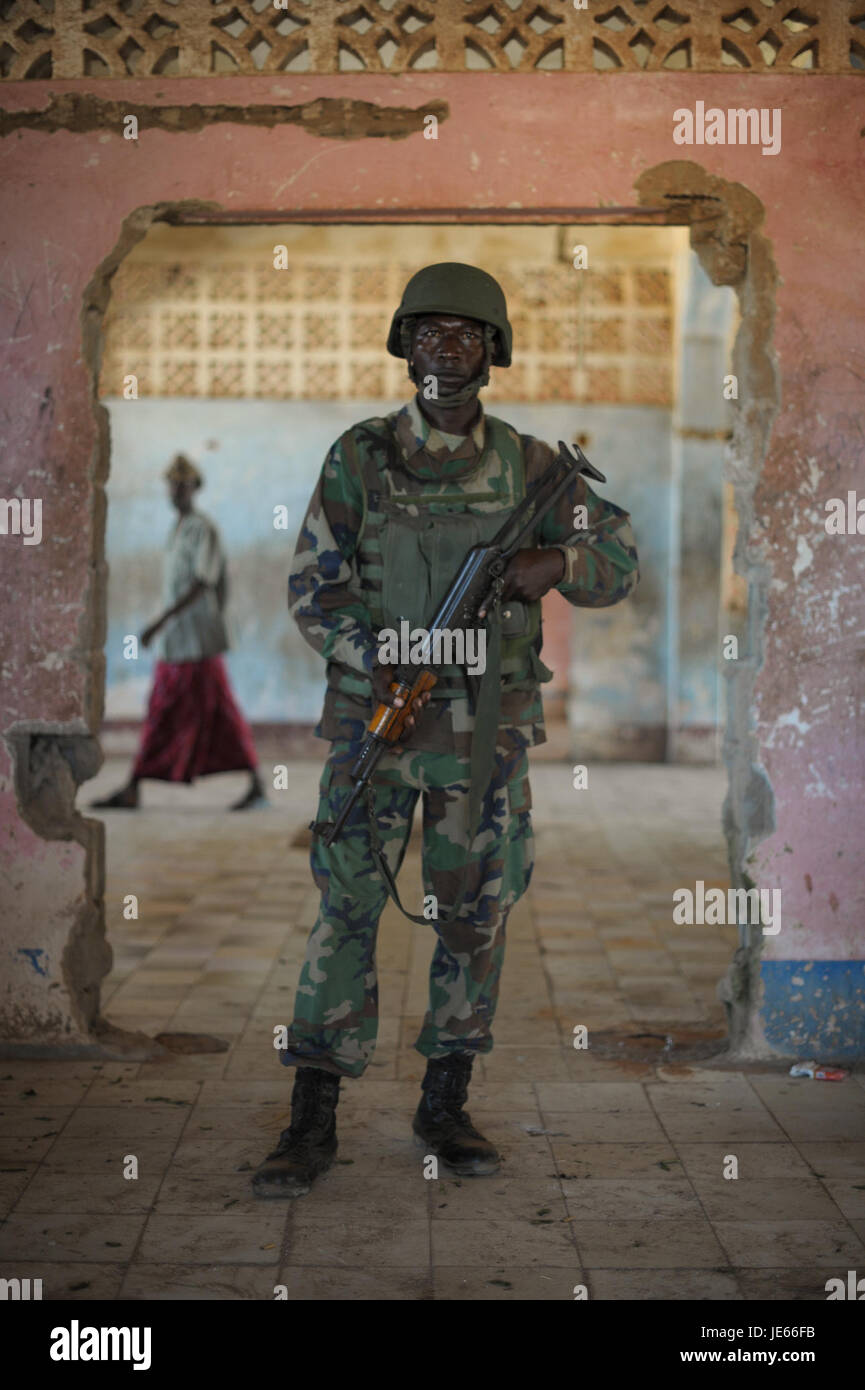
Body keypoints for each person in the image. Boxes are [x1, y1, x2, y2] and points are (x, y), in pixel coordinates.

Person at [252, 262, 639, 1199]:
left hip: (484, 736)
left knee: (474, 916)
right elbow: (313, 588)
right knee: (344, 910)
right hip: (374, 727)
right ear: (402, 343)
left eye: (464, 332)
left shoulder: (535, 466)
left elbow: (615, 559)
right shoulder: (361, 455)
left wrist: (554, 560)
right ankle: (312, 1113)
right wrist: (373, 658)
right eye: (425, 329)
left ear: (493, 350)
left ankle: (445, 1101)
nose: (443, 345)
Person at [92, 454, 266, 812]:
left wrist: (158, 622)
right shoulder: (179, 529)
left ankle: (135, 785)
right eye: (172, 485)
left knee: (196, 710)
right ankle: (136, 784)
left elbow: (202, 583)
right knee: (186, 710)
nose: (175, 491)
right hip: (179, 641)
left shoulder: (203, 528)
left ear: (194, 489)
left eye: (182, 486)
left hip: (198, 640)